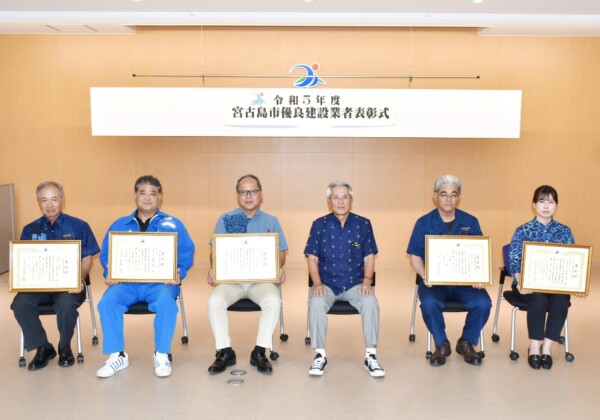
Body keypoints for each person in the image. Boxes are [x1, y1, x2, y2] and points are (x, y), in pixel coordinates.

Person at [96, 175, 195, 378]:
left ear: (160, 197)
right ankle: (117, 355)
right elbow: (106, 253)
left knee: (167, 304)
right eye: (143, 193)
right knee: (107, 302)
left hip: (161, 284)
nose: (148, 198)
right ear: (135, 196)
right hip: (127, 284)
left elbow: (186, 251)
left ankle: (162, 355)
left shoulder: (174, 224)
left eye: (153, 193)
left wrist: (178, 272)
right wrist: (110, 272)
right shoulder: (119, 225)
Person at [11, 181, 100, 371]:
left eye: (54, 199)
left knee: (66, 304)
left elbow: (87, 259)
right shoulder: (29, 229)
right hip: (39, 286)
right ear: (39, 202)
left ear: (62, 200)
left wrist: (79, 279)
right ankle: (43, 347)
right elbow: (23, 260)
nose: (49, 205)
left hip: (69, 286)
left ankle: (64, 346)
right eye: (44, 200)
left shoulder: (79, 226)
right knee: (20, 303)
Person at [407, 174, 491, 367]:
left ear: (459, 197)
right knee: (429, 303)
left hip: (465, 283)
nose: (448, 199)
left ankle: (466, 342)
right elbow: (415, 256)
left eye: (453, 194)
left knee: (483, 303)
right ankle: (441, 344)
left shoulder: (471, 221)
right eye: (443, 194)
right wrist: (424, 274)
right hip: (435, 282)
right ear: (435, 196)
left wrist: (480, 276)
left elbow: (480, 253)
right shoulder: (423, 223)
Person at [207, 174, 287, 374]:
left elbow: (281, 252)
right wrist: (214, 269)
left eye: (253, 191)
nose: (249, 196)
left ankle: (260, 351)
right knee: (214, 301)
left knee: (273, 301)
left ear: (261, 194)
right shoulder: (225, 219)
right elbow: (214, 250)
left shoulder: (272, 221)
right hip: (231, 282)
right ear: (237, 196)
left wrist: (278, 268)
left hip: (261, 282)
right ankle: (225, 351)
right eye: (244, 192)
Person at [305, 180, 385, 377]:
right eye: (336, 197)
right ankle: (320, 355)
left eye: (344, 197)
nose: (340, 202)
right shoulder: (319, 225)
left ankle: (371, 356)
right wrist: (317, 284)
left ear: (351, 200)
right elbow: (312, 258)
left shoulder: (363, 224)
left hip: (355, 284)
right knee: (316, 302)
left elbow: (369, 257)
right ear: (329, 201)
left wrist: (367, 281)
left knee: (371, 302)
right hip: (327, 284)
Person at [508, 185, 582, 370]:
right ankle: (534, 347)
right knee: (539, 298)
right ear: (534, 205)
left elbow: (573, 260)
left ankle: (547, 348)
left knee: (561, 300)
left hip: (556, 285)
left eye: (551, 202)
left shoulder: (565, 231)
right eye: (542, 201)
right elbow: (514, 260)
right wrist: (521, 281)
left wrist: (578, 285)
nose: (546, 206)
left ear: (556, 205)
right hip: (528, 285)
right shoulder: (523, 230)